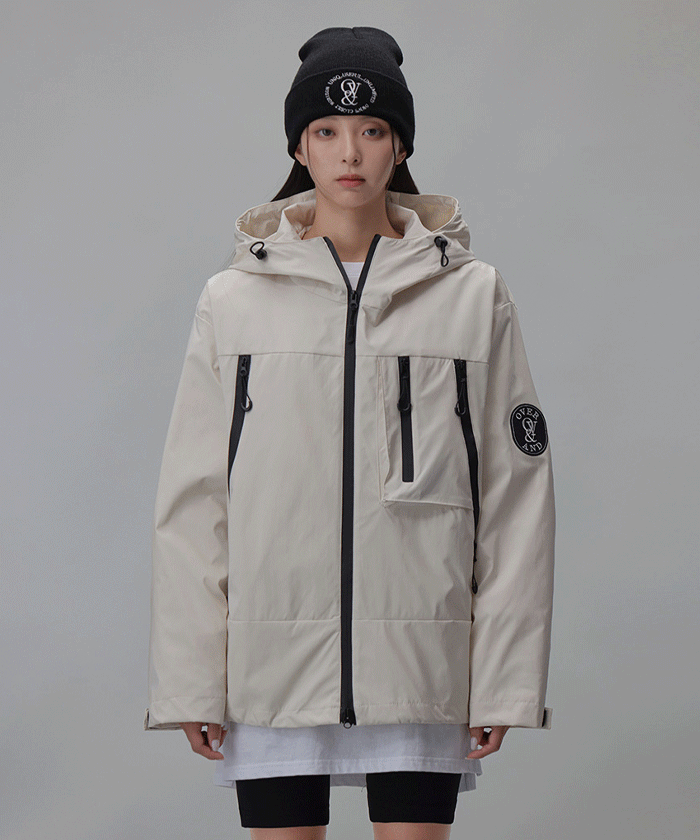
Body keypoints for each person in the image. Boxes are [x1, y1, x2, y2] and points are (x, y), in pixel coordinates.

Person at [144, 26, 555, 839]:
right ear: (299, 146)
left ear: (401, 145)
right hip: (269, 666)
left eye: (372, 130)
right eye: (327, 131)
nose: (350, 153)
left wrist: (504, 680)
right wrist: (189, 679)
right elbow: (194, 502)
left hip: (422, 659)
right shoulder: (233, 299)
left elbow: (515, 496)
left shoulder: (473, 294)